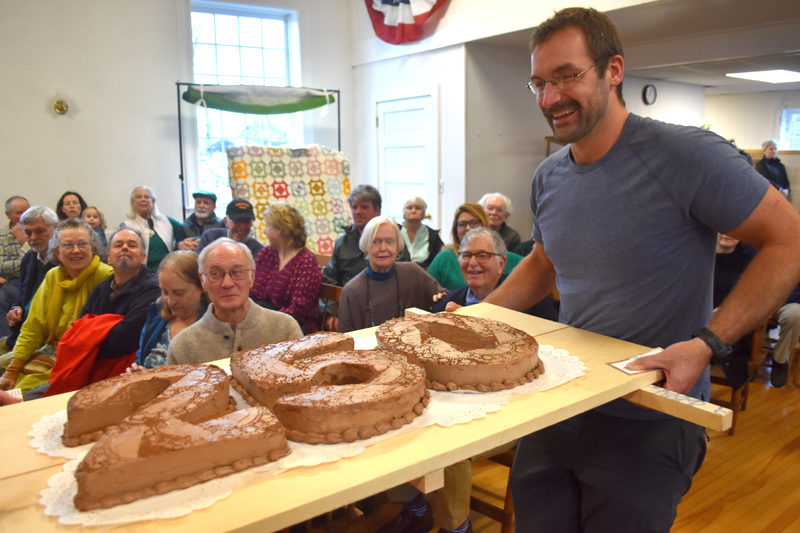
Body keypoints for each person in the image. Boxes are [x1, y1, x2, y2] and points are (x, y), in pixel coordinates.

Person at [483, 7, 800, 531]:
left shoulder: (688, 156)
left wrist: (708, 345)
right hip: (560, 400)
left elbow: (788, 240)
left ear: (613, 70)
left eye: (567, 76)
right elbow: (544, 262)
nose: (549, 97)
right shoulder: (548, 177)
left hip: (653, 416)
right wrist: (478, 318)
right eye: (539, 82)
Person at [32, 228, 160, 398]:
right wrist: (100, 329)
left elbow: (124, 338)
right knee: (29, 398)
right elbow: (75, 331)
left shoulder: (152, 288)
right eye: (118, 245)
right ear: (109, 256)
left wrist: (90, 333)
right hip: (85, 367)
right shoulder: (102, 288)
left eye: (132, 245)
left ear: (143, 257)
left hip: (121, 374)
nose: (125, 248)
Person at [0, 218, 112, 394]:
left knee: (20, 391)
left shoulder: (105, 277)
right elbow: (33, 327)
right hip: (48, 347)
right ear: (58, 252)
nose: (76, 250)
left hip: (76, 359)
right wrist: (12, 369)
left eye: (82, 244)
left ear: (93, 248)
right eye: (68, 245)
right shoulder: (53, 276)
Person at [167, 238, 302, 365]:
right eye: (215, 274)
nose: (227, 283)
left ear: (252, 276)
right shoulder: (182, 347)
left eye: (236, 272)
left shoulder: (285, 330)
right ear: (203, 281)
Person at [337, 216, 444, 333]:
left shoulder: (414, 272)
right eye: (376, 242)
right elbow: (344, 337)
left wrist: (441, 298)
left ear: (397, 246)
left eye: (389, 242)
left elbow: (442, 297)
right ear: (366, 247)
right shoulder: (351, 291)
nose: (383, 248)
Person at [433, 227, 558, 320]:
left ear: (501, 263)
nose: (472, 262)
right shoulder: (447, 304)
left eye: (482, 255)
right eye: (466, 255)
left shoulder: (532, 300)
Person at [251, 203, 321, 334]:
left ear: (280, 229)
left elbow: (298, 310)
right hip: (262, 322)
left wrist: (262, 322)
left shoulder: (306, 262)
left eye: (267, 226)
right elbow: (250, 292)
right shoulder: (266, 254)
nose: (264, 231)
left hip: (293, 327)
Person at [322, 184, 410, 288]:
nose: (358, 212)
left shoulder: (394, 240)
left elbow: (406, 276)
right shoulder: (342, 243)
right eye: (354, 207)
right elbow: (329, 280)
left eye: (364, 207)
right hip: (349, 299)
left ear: (377, 210)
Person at [427, 203, 523, 291]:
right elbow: (427, 290)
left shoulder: (505, 257)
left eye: (474, 223)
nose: (468, 228)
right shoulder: (445, 257)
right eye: (462, 224)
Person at [136, 251, 207, 369]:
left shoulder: (215, 325)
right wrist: (137, 370)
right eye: (165, 292)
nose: (170, 300)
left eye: (179, 293)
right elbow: (140, 360)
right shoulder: (155, 318)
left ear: (202, 286)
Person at [3, 206, 58, 351]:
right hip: (22, 331)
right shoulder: (30, 257)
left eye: (40, 231)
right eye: (28, 232)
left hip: (45, 339)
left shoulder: (64, 261)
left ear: (56, 228)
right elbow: (23, 295)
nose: (33, 237)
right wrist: (16, 308)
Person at [122, 186, 186, 273]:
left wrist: (180, 244)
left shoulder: (165, 221)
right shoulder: (126, 226)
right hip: (140, 274)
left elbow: (185, 230)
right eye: (138, 197)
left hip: (167, 271)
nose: (143, 200)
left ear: (153, 201)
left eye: (147, 197)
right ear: (132, 202)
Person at [0, 196, 30, 338]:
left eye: (27, 211)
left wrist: (23, 241)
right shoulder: (2, 235)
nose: (24, 216)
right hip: (10, 280)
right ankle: (6, 339)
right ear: (8, 215)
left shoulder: (37, 230)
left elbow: (37, 260)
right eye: (19, 213)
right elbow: (1, 265)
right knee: (3, 295)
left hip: (32, 277)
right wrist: (21, 263)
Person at [196, 198, 263, 258]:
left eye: (246, 222)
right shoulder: (209, 238)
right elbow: (196, 266)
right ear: (226, 222)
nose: (242, 227)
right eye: (237, 221)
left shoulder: (258, 250)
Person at [400, 196, 443, 270]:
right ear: (403, 213)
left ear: (424, 213)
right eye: (409, 208)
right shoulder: (394, 232)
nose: (413, 211)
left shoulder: (433, 236)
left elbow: (440, 260)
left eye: (417, 208)